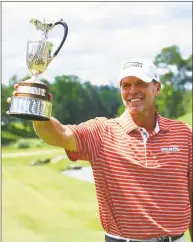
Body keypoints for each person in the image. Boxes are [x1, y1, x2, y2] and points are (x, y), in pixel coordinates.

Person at [8, 61, 192, 242]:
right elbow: (59, 135)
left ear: (157, 88)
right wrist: (38, 113)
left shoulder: (183, 134)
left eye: (141, 83)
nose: (132, 91)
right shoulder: (101, 132)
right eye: (126, 85)